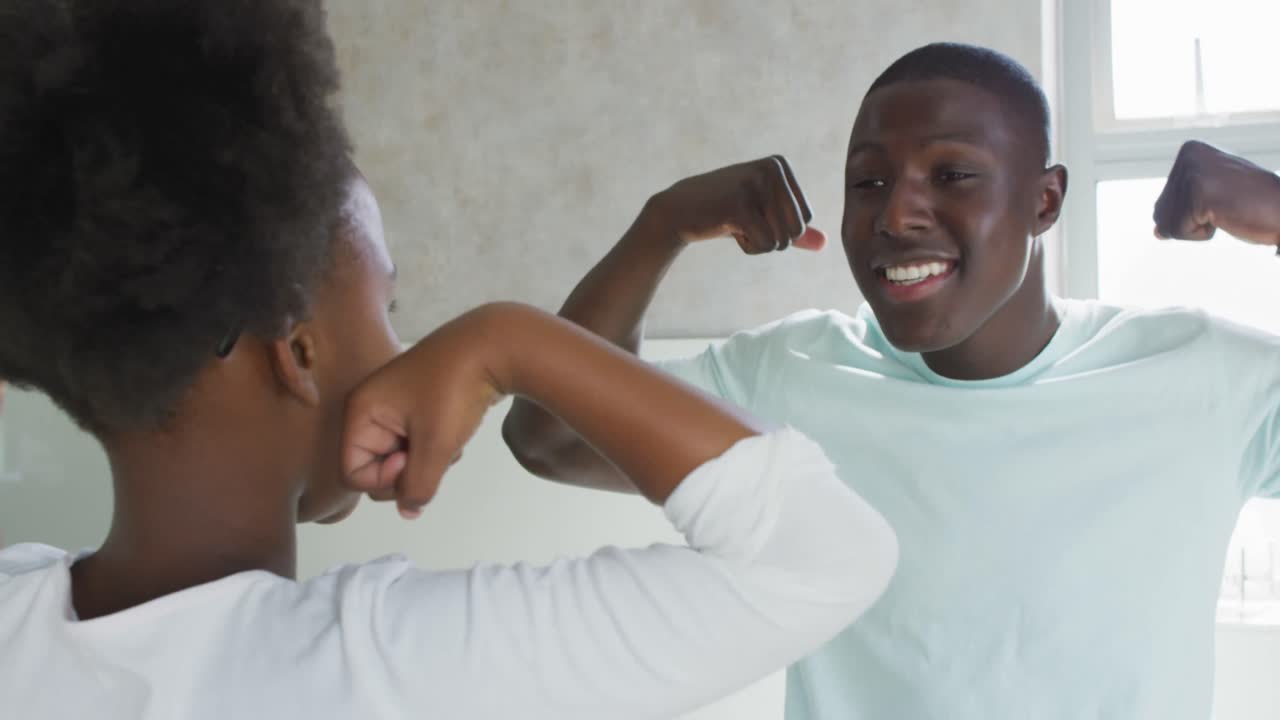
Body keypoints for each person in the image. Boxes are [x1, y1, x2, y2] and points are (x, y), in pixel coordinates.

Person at [0, 3, 897, 719]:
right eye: (387, 307)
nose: (407, 345)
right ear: (298, 348)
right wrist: (504, 338)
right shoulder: (382, 667)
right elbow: (826, 557)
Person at [504, 41, 1280, 718]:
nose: (896, 215)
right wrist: (661, 223)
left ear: (1044, 201)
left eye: (952, 175)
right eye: (868, 182)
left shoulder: (1198, 378)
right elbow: (549, 436)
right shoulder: (793, 378)